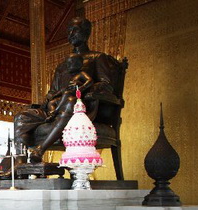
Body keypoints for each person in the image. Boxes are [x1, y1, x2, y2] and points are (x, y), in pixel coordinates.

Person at [14, 16, 119, 162]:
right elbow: (52, 91)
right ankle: (20, 162)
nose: (70, 35)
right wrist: (50, 100)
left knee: (71, 101)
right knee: (22, 117)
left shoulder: (97, 57)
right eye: (69, 31)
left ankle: (40, 150)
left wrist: (81, 91)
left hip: (82, 108)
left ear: (86, 32)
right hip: (56, 107)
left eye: (74, 30)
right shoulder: (63, 65)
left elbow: (106, 85)